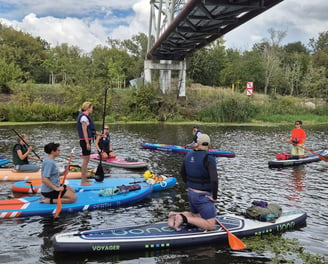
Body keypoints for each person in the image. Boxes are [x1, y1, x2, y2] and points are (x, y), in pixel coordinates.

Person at [168, 134, 218, 231]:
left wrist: (190, 185)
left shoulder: (188, 154)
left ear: (197, 144)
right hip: (203, 196)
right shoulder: (209, 157)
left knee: (196, 217)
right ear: (209, 145)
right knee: (211, 225)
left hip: (191, 193)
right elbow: (214, 179)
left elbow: (182, 173)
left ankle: (174, 214)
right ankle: (183, 218)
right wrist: (214, 197)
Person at [77, 102, 96, 185]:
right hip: (85, 141)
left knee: (87, 160)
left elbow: (90, 130)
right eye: (91, 108)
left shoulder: (85, 117)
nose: (92, 110)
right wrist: (87, 143)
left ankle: (84, 179)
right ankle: (83, 181)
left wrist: (100, 134)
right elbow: (84, 131)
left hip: (86, 140)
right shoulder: (84, 117)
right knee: (85, 160)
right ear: (88, 108)